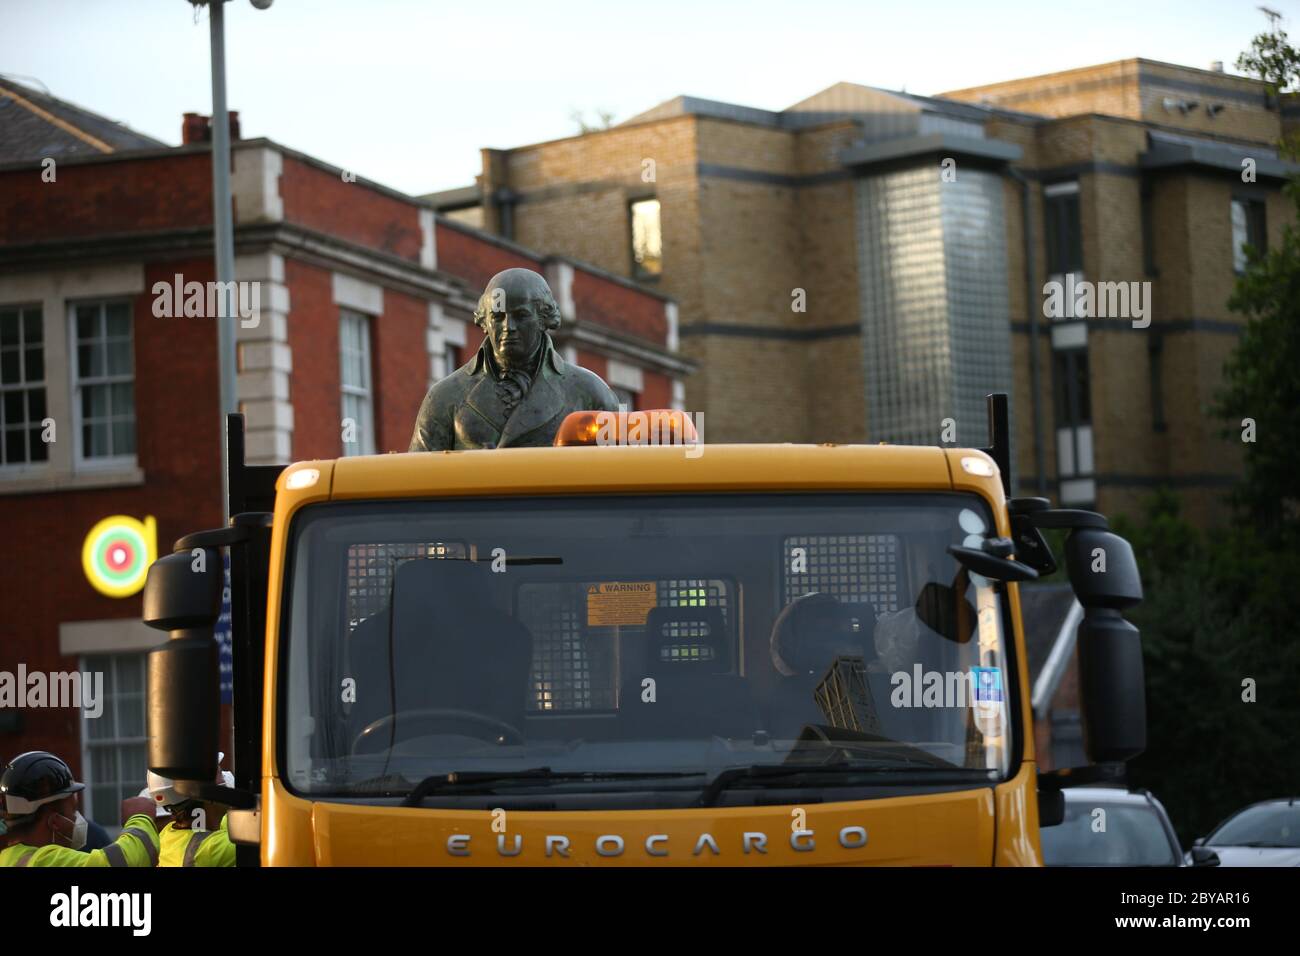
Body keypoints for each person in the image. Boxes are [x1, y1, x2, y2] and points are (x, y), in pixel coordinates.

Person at [409, 268, 620, 450]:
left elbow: (620, 475)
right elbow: (418, 482)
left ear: (543, 318)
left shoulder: (590, 392)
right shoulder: (444, 397)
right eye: (498, 317)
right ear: (484, 321)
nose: (508, 327)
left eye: (521, 316)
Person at [0, 751, 158, 867]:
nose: (78, 818)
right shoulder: (44, 861)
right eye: (74, 810)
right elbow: (123, 863)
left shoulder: (7, 858)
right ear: (55, 822)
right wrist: (139, 818)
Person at [146, 758, 237, 867]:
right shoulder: (208, 849)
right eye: (220, 774)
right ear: (206, 794)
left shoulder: (168, 834)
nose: (226, 778)